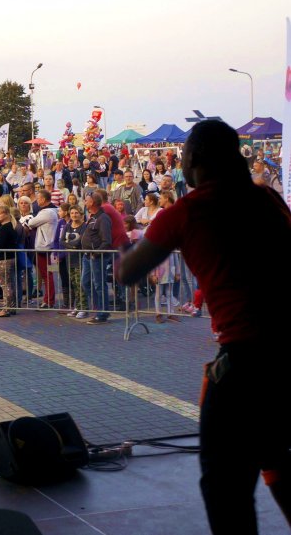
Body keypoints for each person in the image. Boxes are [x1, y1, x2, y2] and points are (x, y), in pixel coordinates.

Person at [118, 120, 291, 534]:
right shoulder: (267, 199)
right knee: (277, 457)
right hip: (287, 354)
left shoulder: (188, 212)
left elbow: (127, 273)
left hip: (244, 359)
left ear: (192, 159)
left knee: (225, 484)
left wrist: (124, 241)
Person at [80, 192, 112, 324]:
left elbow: (106, 241)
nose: (85, 202)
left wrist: (96, 253)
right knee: (86, 282)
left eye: (86, 200)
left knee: (99, 284)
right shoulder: (92, 217)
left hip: (96, 257)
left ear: (92, 202)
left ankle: (102, 312)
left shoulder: (102, 218)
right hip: (88, 255)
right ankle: (99, 307)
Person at [0, 203, 18, 317]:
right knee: (9, 284)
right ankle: (11, 307)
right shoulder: (7, 226)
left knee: (5, 285)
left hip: (4, 259)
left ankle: (6, 308)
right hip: (7, 258)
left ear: (7, 214)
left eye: (0, 213)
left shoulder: (6, 228)